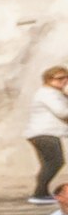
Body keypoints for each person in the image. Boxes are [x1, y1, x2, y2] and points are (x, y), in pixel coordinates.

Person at [29, 68, 68, 205]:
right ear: (48, 79)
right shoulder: (47, 94)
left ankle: (42, 193)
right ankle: (39, 194)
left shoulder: (54, 93)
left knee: (49, 164)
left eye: (66, 77)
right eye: (59, 78)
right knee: (55, 162)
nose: (64, 80)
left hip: (43, 133)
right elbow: (62, 112)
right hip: (45, 133)